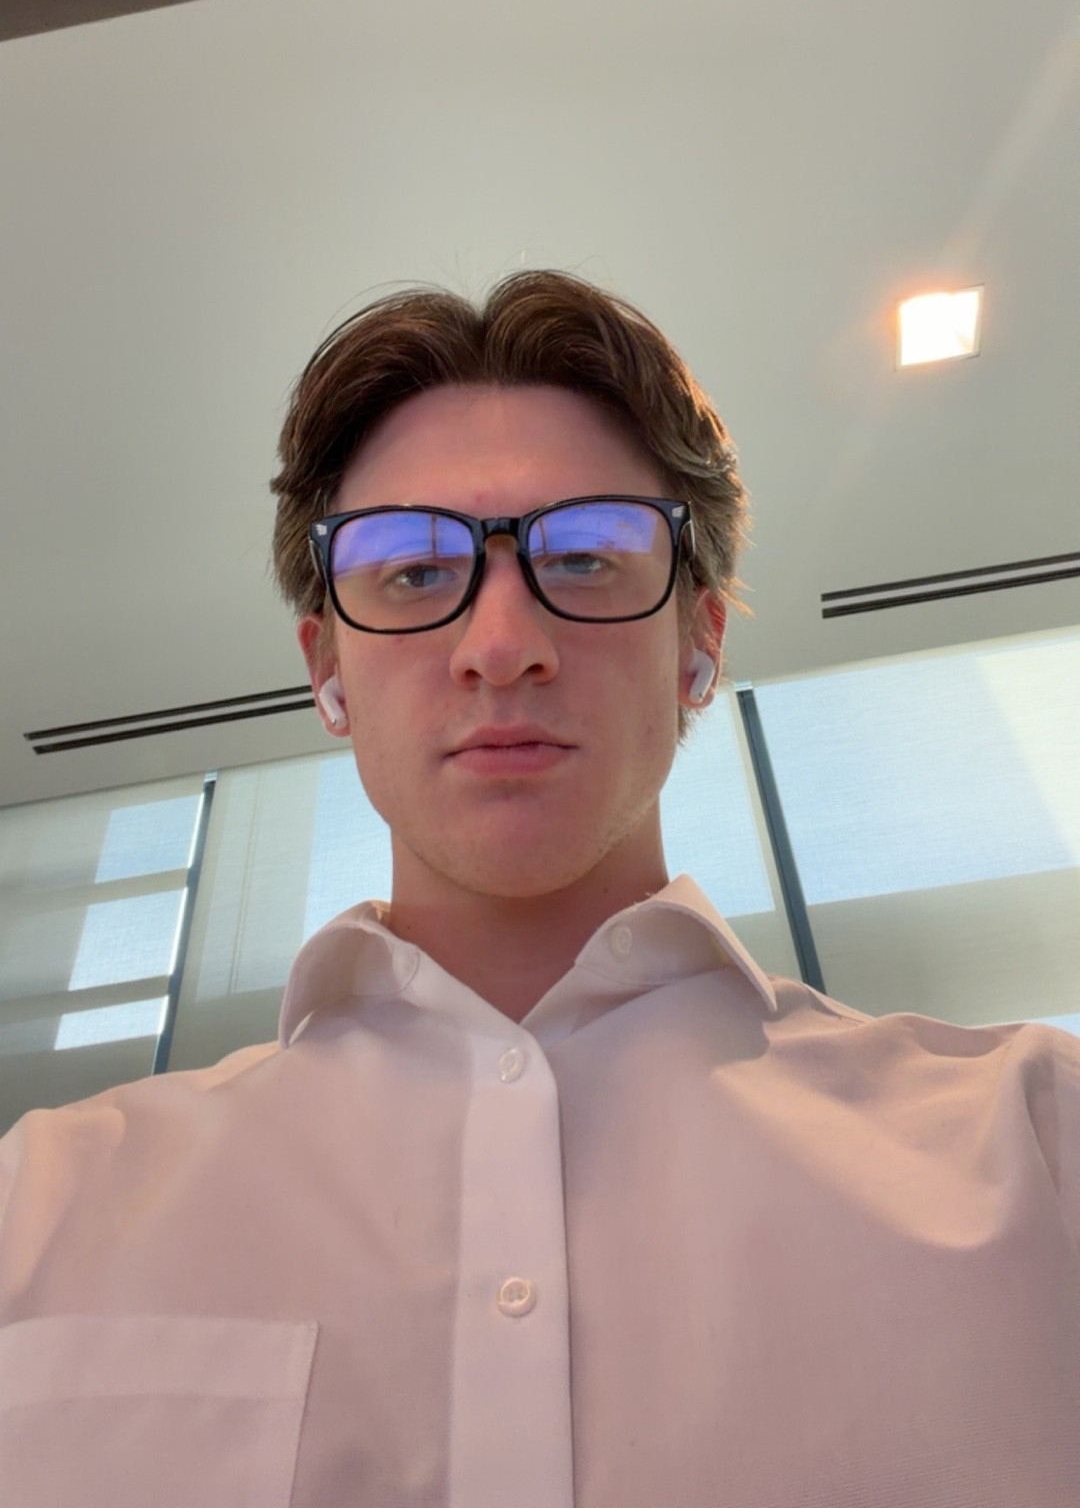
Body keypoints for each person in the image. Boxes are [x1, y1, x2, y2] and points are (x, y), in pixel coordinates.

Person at [0, 268, 1077, 1508]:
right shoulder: (39, 1210)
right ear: (327, 667)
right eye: (411, 572)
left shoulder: (1039, 1150)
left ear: (700, 641)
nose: (502, 644)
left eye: (587, 554)